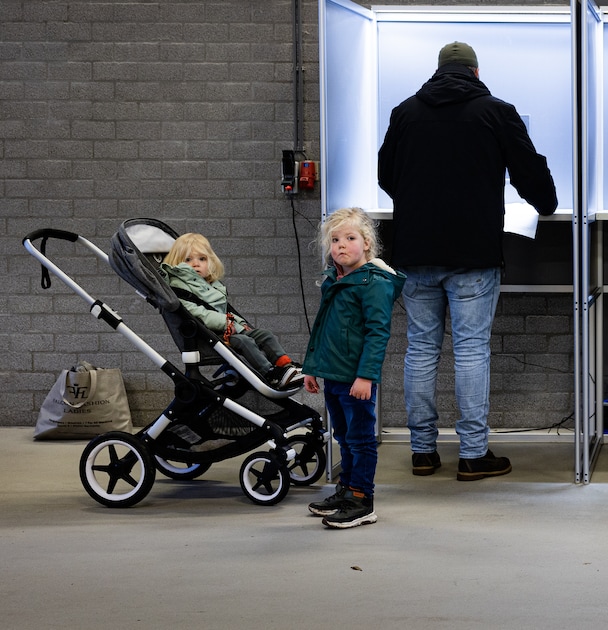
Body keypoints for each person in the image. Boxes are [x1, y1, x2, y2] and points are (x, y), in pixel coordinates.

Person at [377, 41, 558, 481]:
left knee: (420, 348)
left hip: (416, 251)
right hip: (473, 252)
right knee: (471, 350)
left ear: (437, 72)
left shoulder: (405, 112)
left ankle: (422, 452)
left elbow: (386, 174)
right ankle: (474, 454)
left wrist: (421, 202)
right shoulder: (496, 111)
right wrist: (546, 202)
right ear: (476, 73)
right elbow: (527, 170)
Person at [303, 208, 405, 529]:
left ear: (367, 244)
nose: (341, 245)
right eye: (335, 240)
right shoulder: (335, 279)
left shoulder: (373, 284)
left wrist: (366, 376)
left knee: (360, 439)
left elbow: (378, 334)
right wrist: (311, 367)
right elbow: (322, 327)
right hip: (332, 375)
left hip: (356, 379)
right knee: (344, 437)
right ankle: (346, 490)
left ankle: (362, 501)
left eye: (350, 238)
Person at [162, 233, 303, 389]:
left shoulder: (210, 284)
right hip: (210, 336)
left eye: (202, 259)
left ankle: (286, 366)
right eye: (188, 260)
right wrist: (226, 322)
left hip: (229, 328)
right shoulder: (179, 286)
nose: (196, 264)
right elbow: (197, 312)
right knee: (244, 341)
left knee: (265, 335)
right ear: (176, 262)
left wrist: (240, 323)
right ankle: (270, 374)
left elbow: (224, 309)